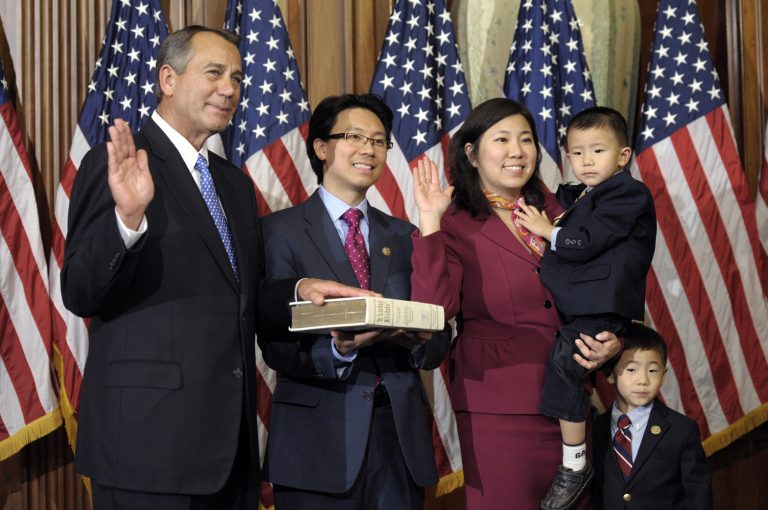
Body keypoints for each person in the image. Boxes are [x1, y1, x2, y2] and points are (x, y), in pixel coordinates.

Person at [61, 26, 369, 510]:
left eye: (238, 77)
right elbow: (80, 291)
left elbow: (238, 298)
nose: (230, 88)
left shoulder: (232, 183)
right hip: (149, 447)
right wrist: (127, 219)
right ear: (168, 78)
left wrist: (300, 290)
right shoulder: (118, 165)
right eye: (214, 73)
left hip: (231, 448)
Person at [410, 97, 622, 510]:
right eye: (502, 139)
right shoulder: (454, 224)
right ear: (471, 153)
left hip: (572, 404)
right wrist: (430, 222)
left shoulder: (562, 213)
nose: (517, 151)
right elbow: (434, 309)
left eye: (526, 140)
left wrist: (614, 340)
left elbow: (607, 287)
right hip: (498, 409)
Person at [258, 93, 453, 510]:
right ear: (322, 147)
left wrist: (419, 338)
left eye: (380, 141)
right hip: (317, 442)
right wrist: (337, 350)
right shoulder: (278, 232)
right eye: (355, 136)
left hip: (399, 442)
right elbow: (272, 338)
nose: (369, 149)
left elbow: (439, 335)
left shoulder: (406, 236)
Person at [514, 106, 656, 510]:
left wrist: (547, 230)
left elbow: (589, 239)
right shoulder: (581, 194)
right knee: (566, 367)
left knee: (564, 367)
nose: (586, 161)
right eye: (577, 153)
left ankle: (575, 465)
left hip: (601, 307)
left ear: (623, 157)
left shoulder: (628, 192)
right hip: (579, 307)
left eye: (598, 151)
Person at [593, 322, 712, 509]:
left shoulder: (682, 430)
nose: (643, 380)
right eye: (632, 370)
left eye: (653, 371)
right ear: (610, 374)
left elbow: (697, 495)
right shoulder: (594, 429)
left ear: (663, 376)